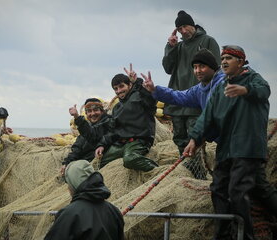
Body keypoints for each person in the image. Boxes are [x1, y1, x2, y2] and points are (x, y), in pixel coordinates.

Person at [183, 45, 271, 240]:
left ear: (240, 62)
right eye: (222, 57)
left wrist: (245, 90)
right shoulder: (220, 88)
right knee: (218, 190)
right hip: (226, 149)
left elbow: (264, 91)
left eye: (229, 58)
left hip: (247, 149)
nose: (224, 61)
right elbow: (207, 116)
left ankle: (245, 236)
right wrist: (194, 139)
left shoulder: (253, 79)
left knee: (237, 191)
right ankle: (222, 235)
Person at [162, 10, 220, 178]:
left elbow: (217, 70)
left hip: (197, 100)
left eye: (185, 26)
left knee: (194, 137)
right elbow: (167, 68)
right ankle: (193, 172)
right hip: (178, 100)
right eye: (179, 29)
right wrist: (170, 47)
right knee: (179, 138)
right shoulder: (178, 46)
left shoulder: (208, 41)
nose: (183, 31)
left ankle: (200, 175)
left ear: (193, 25)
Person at [95, 65, 158, 172]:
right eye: (116, 88)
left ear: (129, 85)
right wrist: (102, 145)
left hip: (139, 141)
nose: (119, 91)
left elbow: (151, 102)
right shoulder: (117, 108)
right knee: (99, 162)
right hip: (122, 144)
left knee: (129, 160)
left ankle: (158, 171)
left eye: (121, 86)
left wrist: (137, 81)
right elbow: (113, 130)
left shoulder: (139, 96)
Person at [45, 160, 124, 240]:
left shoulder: (69, 215)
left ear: (74, 184)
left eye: (69, 183)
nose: (68, 188)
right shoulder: (114, 211)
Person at [61, 98, 112, 174]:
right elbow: (77, 147)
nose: (93, 114)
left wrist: (77, 117)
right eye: (89, 111)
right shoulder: (88, 126)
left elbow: (93, 135)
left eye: (96, 110)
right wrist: (67, 163)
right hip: (85, 163)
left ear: (102, 111)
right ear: (86, 114)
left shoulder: (108, 122)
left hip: (97, 163)